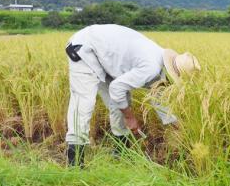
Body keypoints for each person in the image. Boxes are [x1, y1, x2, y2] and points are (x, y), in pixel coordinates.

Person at [64, 24, 200, 167]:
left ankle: (119, 152)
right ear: (171, 71)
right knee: (83, 103)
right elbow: (117, 88)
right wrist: (130, 118)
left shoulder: (160, 66)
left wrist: (178, 127)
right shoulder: (151, 67)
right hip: (85, 48)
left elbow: (157, 98)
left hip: (106, 57)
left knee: (120, 104)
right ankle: (75, 164)